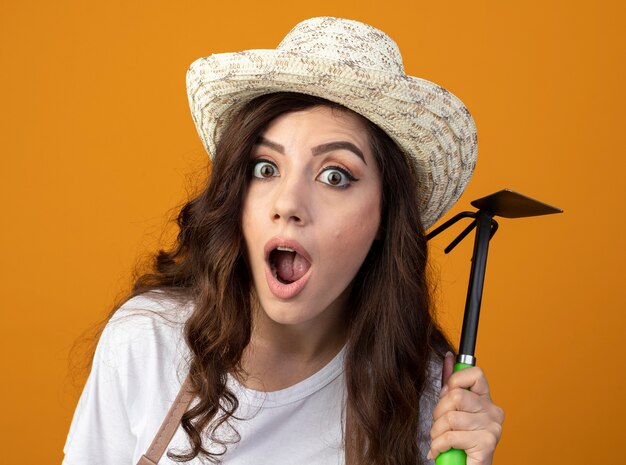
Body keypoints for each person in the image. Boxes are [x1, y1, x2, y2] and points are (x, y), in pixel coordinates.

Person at [63, 16, 504, 465]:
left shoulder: (423, 392)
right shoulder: (148, 340)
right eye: (265, 168)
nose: (288, 202)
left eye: (335, 176)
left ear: (384, 219)